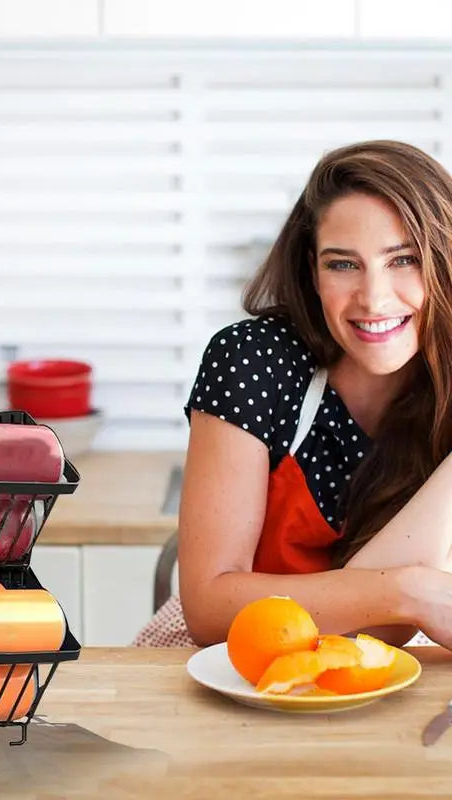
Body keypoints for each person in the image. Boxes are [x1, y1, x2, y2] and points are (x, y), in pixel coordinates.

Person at [134, 140, 452, 650]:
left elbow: (385, 632)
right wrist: (410, 592)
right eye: (343, 265)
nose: (374, 298)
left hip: (395, 679)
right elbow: (211, 612)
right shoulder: (254, 362)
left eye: (404, 260)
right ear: (312, 269)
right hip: (234, 667)